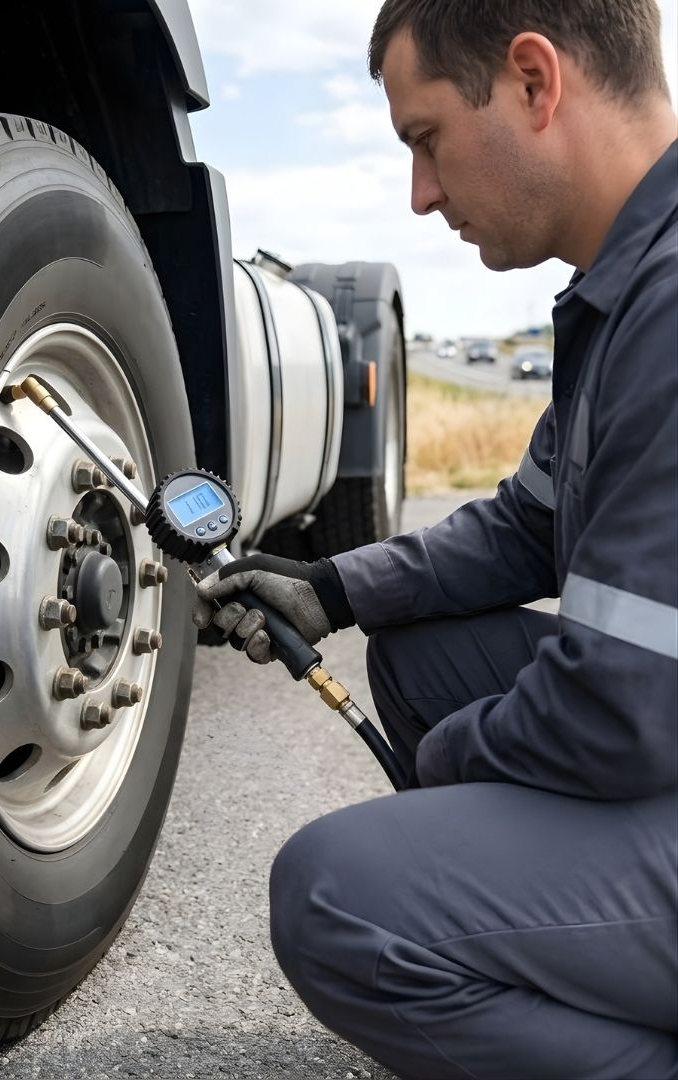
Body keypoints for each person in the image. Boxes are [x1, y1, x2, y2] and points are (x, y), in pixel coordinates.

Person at [193, 1, 678, 1075]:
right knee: (420, 655)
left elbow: (624, 707)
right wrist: (333, 586)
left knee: (335, 897)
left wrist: (450, 759)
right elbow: (524, 527)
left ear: (534, 82)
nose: (420, 196)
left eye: (426, 139)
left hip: (659, 722)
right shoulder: (630, 293)